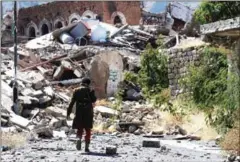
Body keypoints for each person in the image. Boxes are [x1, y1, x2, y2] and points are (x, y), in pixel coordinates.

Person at [67, 78, 97, 152]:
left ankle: (79, 139)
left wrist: (68, 113)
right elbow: (94, 100)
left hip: (79, 111)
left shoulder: (76, 90)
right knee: (88, 129)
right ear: (88, 83)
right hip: (88, 111)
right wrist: (92, 92)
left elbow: (72, 103)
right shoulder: (90, 90)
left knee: (79, 128)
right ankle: (86, 147)